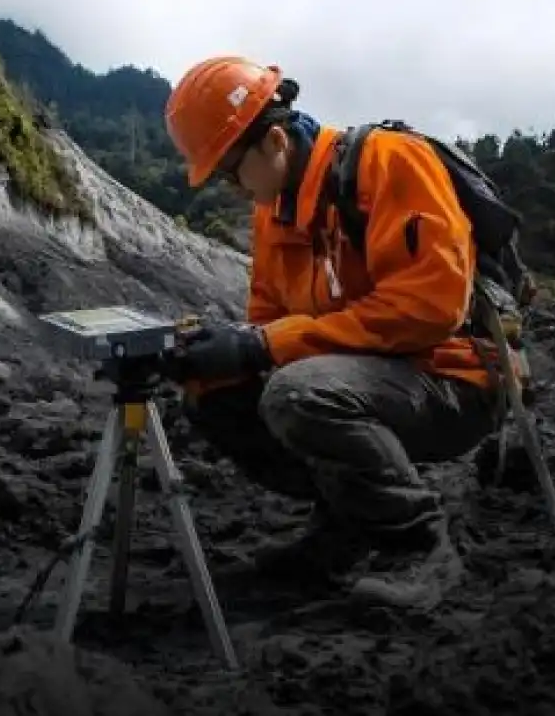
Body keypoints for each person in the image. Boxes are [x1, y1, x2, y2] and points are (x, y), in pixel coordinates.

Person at [162, 55, 514, 610]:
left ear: (275, 141)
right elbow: (269, 322)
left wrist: (265, 345)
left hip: (453, 377)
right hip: (360, 378)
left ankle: (417, 545)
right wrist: (218, 352)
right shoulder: (272, 211)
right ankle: (347, 527)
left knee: (300, 394)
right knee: (215, 393)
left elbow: (429, 308)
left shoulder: (391, 163)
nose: (231, 188)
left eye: (231, 171)